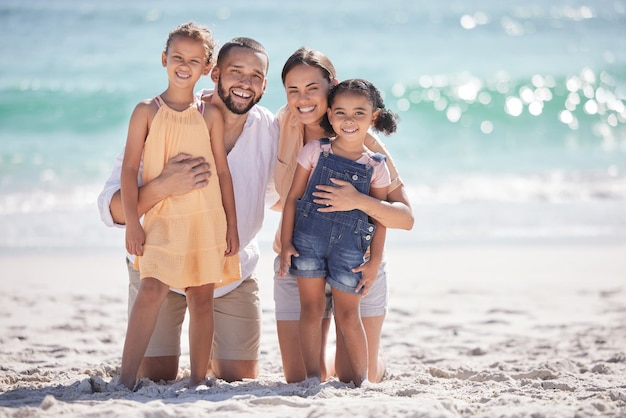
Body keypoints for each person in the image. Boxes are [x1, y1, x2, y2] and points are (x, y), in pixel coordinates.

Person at [97, 36, 278, 386]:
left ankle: (203, 369)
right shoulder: (152, 114)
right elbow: (112, 205)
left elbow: (310, 143)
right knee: (158, 374)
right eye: (236, 72)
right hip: (164, 246)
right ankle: (134, 374)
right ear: (217, 75)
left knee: (237, 375)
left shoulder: (268, 127)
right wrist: (162, 187)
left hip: (221, 258)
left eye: (255, 76)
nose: (245, 83)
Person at [272, 48, 414, 384]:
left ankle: (373, 365)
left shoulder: (369, 150)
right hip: (301, 253)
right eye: (293, 90)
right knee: (302, 377)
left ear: (331, 87)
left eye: (312, 88)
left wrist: (357, 201)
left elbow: (405, 218)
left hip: (355, 258)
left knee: (354, 373)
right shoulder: (283, 124)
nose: (303, 99)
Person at [119, 22, 240, 390]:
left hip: (206, 220)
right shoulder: (146, 111)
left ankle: (198, 379)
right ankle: (124, 380)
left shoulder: (210, 115)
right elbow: (128, 170)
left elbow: (222, 172)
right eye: (177, 57)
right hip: (162, 219)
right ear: (164, 59)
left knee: (201, 297)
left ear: (207, 68)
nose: (184, 65)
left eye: (194, 60)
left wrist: (232, 227)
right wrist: (132, 223)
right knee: (151, 289)